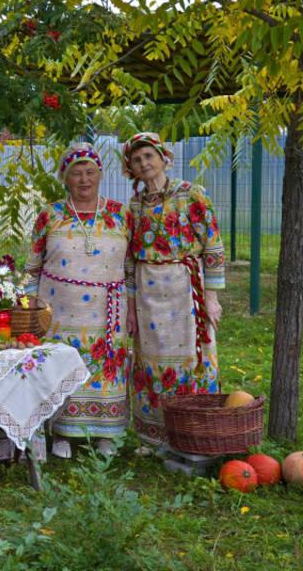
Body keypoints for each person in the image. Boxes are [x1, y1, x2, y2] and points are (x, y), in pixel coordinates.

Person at [22, 142, 133, 458]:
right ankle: (61, 434)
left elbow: (131, 268)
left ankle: (107, 435)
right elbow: (32, 267)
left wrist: (134, 310)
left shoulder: (120, 214)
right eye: (76, 173)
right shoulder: (50, 215)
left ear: (100, 174)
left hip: (108, 311)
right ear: (65, 178)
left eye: (90, 172)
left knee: (107, 371)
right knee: (62, 368)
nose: (84, 179)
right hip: (59, 313)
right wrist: (30, 307)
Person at [122, 132, 225, 447]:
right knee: (151, 361)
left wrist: (211, 298)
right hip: (147, 295)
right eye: (137, 160)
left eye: (149, 156)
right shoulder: (135, 205)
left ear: (164, 157)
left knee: (191, 360)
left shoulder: (190, 194)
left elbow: (213, 247)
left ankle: (194, 433)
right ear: (132, 169)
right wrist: (129, 309)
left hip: (185, 290)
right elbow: (128, 260)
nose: (144, 163)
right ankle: (154, 437)